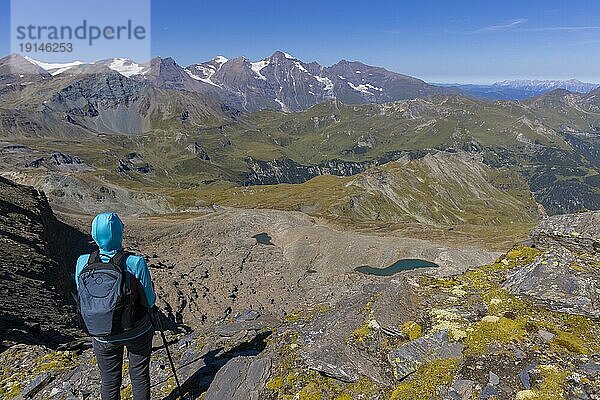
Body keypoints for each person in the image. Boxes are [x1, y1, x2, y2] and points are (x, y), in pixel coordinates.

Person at [75, 212, 156, 400]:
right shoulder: (135, 262)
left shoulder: (82, 262)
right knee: (139, 375)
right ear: (120, 233)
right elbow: (149, 301)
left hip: (102, 333)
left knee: (109, 381)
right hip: (136, 330)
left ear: (95, 235)